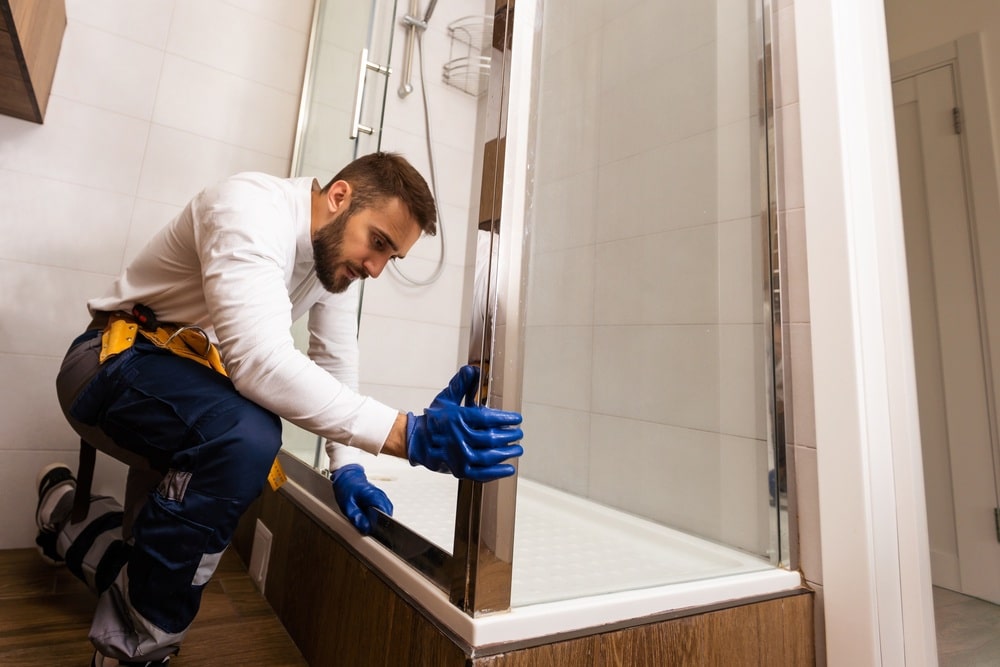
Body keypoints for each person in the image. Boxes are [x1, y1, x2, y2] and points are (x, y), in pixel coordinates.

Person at [37, 152, 524, 667]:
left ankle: (59, 509)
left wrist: (347, 466)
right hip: (104, 364)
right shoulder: (246, 207)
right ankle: (135, 651)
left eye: (391, 258)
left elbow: (333, 358)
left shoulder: (326, 262)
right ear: (339, 197)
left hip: (177, 395)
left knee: (156, 564)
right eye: (378, 242)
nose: (376, 269)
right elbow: (259, 363)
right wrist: (408, 434)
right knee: (246, 435)